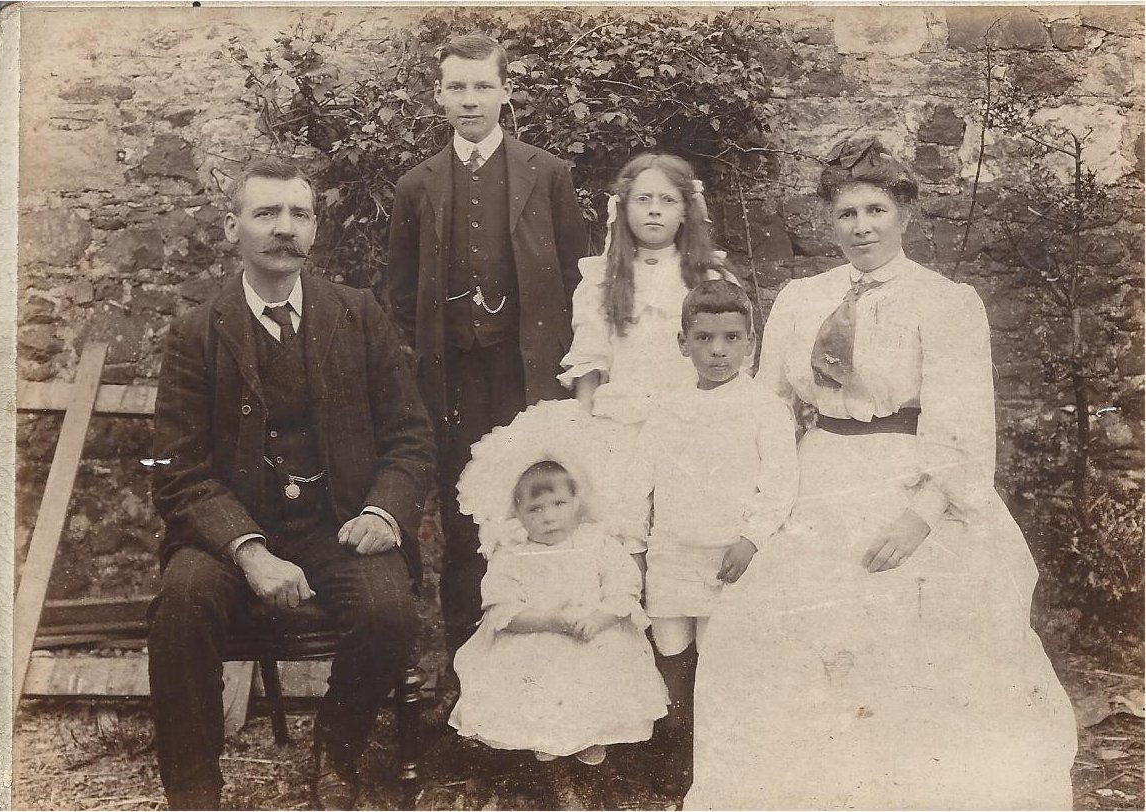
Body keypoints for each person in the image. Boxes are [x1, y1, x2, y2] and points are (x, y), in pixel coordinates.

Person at [684, 137, 1078, 810]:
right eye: (846, 214)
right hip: (814, 476)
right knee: (767, 618)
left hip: (906, 475)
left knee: (916, 626)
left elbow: (961, 420)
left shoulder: (944, 301)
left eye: (874, 210)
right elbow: (771, 410)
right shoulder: (799, 299)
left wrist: (920, 516)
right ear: (827, 221)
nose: (860, 227)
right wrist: (758, 509)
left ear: (902, 215)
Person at [150, 157, 435, 811]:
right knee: (181, 600)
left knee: (388, 610)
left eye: (299, 214)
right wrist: (248, 552)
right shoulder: (197, 333)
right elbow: (178, 469)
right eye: (266, 213)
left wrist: (384, 514)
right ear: (233, 228)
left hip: (338, 523)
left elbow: (410, 438)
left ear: (314, 227)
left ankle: (337, 756)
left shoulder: (358, 316)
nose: (285, 229)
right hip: (232, 534)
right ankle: (193, 792)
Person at [386, 32, 589, 661]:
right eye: (456, 87)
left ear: (505, 91)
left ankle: (551, 678)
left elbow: (577, 277)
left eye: (482, 86)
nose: (469, 99)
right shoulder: (415, 187)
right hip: (454, 383)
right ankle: (470, 683)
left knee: (543, 515)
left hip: (529, 377)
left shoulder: (548, 174)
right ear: (438, 96)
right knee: (465, 519)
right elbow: (398, 297)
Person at [629, 279, 798, 796]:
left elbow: (780, 483)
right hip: (673, 556)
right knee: (671, 652)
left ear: (750, 342)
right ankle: (675, 750)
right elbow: (640, 483)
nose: (718, 350)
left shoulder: (765, 408)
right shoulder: (664, 408)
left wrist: (751, 539)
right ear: (683, 343)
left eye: (731, 337)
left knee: (724, 663)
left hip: (732, 559)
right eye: (704, 338)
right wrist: (636, 548)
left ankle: (721, 764)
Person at [558, 153, 732, 563]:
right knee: (623, 529)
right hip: (621, 421)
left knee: (683, 529)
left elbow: (726, 361)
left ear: (687, 211)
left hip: (690, 421)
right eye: (643, 199)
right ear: (622, 208)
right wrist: (584, 429)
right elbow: (591, 358)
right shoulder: (601, 277)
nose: (654, 209)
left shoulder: (708, 277)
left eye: (668, 200)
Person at [448, 459, 668, 765]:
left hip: (592, 629)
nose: (549, 517)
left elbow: (624, 586)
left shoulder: (596, 542)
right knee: (537, 676)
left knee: (595, 672)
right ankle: (547, 734)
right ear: (518, 513)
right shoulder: (513, 552)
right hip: (539, 631)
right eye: (535, 509)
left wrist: (599, 618)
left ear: (577, 502)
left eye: (559, 504)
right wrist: (547, 620)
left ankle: (593, 734)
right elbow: (502, 606)